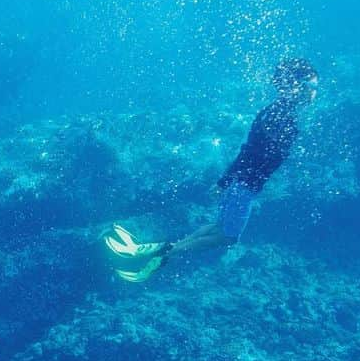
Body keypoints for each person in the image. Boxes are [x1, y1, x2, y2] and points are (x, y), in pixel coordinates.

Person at [105, 59, 319, 282]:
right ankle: (163, 255)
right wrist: (229, 183)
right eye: (312, 87)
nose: (314, 93)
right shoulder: (282, 117)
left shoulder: (275, 112)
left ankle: (159, 249)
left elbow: (250, 151)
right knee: (227, 237)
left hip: (241, 185)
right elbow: (251, 153)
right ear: (295, 86)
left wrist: (225, 182)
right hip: (245, 188)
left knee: (220, 228)